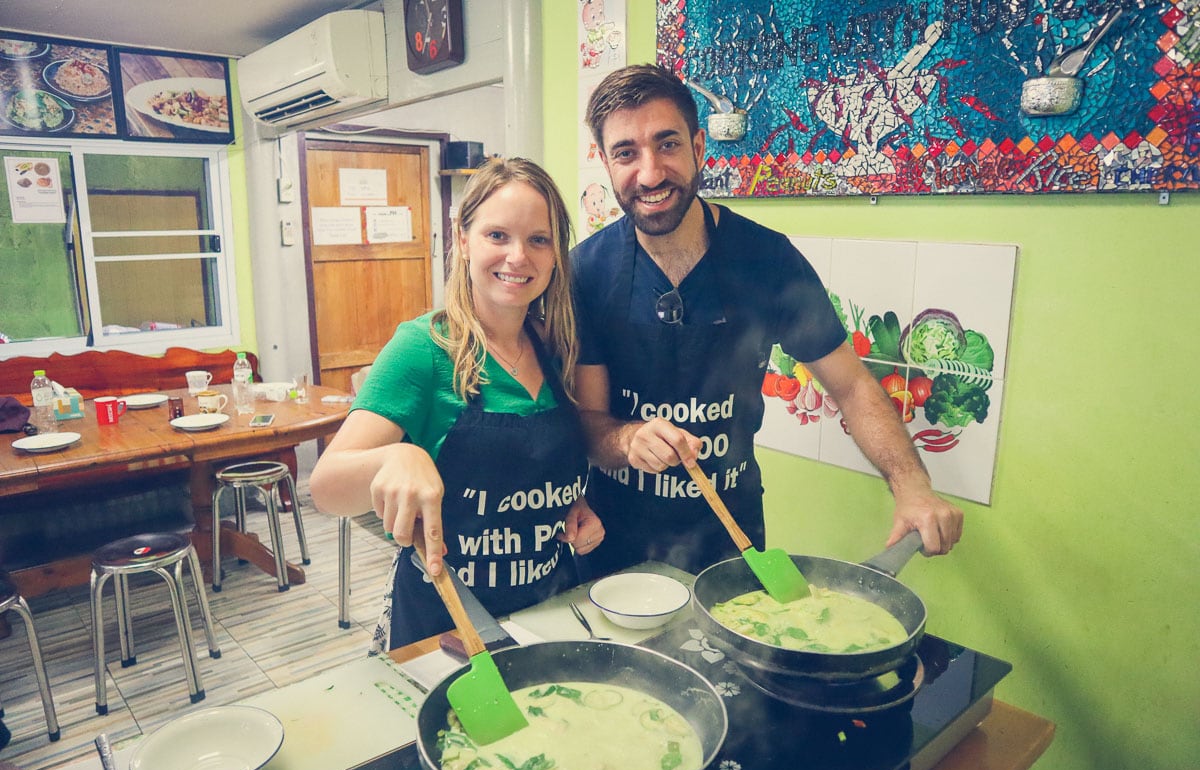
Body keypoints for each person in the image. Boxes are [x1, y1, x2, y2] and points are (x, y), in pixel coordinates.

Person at [571, 64, 962, 577]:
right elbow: (589, 424)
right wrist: (628, 440)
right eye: (626, 153)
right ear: (604, 161)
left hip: (730, 547)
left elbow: (850, 386)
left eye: (667, 144)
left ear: (699, 148)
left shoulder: (768, 260)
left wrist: (912, 484)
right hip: (613, 550)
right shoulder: (585, 272)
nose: (649, 173)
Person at [310, 158, 604, 651]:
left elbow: (529, 474)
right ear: (463, 240)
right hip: (443, 623)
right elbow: (326, 489)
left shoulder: (555, 347)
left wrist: (571, 507)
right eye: (497, 235)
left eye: (539, 239)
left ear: (557, 255)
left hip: (544, 612)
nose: (518, 257)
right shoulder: (423, 348)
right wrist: (398, 455)